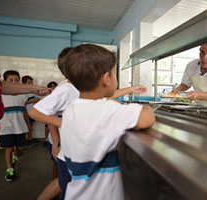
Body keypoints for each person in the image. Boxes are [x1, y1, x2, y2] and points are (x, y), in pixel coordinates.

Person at [29, 46, 148, 200]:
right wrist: (66, 127)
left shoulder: (82, 89)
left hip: (76, 149)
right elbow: (36, 112)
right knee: (67, 184)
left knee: (69, 184)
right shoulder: (66, 89)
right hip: (68, 149)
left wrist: (130, 89)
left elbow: (105, 96)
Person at [61, 43, 155, 200]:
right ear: (107, 79)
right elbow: (147, 117)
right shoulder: (106, 110)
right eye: (114, 73)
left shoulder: (72, 109)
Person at [0, 70, 49, 182]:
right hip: (6, 127)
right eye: (10, 80)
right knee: (9, 148)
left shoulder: (23, 95)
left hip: (20, 126)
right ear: (4, 82)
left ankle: (14, 156)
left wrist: (28, 123)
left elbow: (24, 111)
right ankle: (9, 170)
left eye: (16, 80)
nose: (14, 82)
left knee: (20, 147)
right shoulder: (1, 95)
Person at [22, 75, 40, 147]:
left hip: (31, 112)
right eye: (29, 82)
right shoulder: (23, 92)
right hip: (26, 112)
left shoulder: (31, 91)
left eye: (31, 82)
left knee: (31, 125)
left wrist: (36, 100)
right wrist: (34, 100)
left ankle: (30, 138)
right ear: (24, 83)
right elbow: (22, 103)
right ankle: (29, 140)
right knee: (28, 126)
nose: (31, 84)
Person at [43, 81, 58, 148]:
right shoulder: (47, 96)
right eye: (51, 87)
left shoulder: (58, 95)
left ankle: (55, 141)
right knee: (47, 127)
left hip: (55, 115)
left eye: (54, 87)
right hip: (48, 115)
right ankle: (46, 139)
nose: (53, 88)